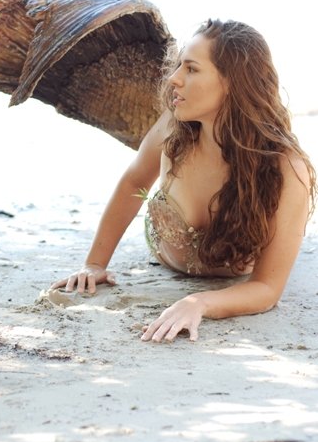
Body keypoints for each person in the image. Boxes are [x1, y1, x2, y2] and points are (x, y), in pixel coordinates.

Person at [51, 19, 317, 343]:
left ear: (233, 82)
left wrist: (198, 302)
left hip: (235, 275)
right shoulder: (172, 131)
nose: (174, 79)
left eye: (191, 69)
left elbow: (267, 289)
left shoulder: (286, 169)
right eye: (178, 66)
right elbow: (133, 184)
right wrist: (94, 263)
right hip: (165, 257)